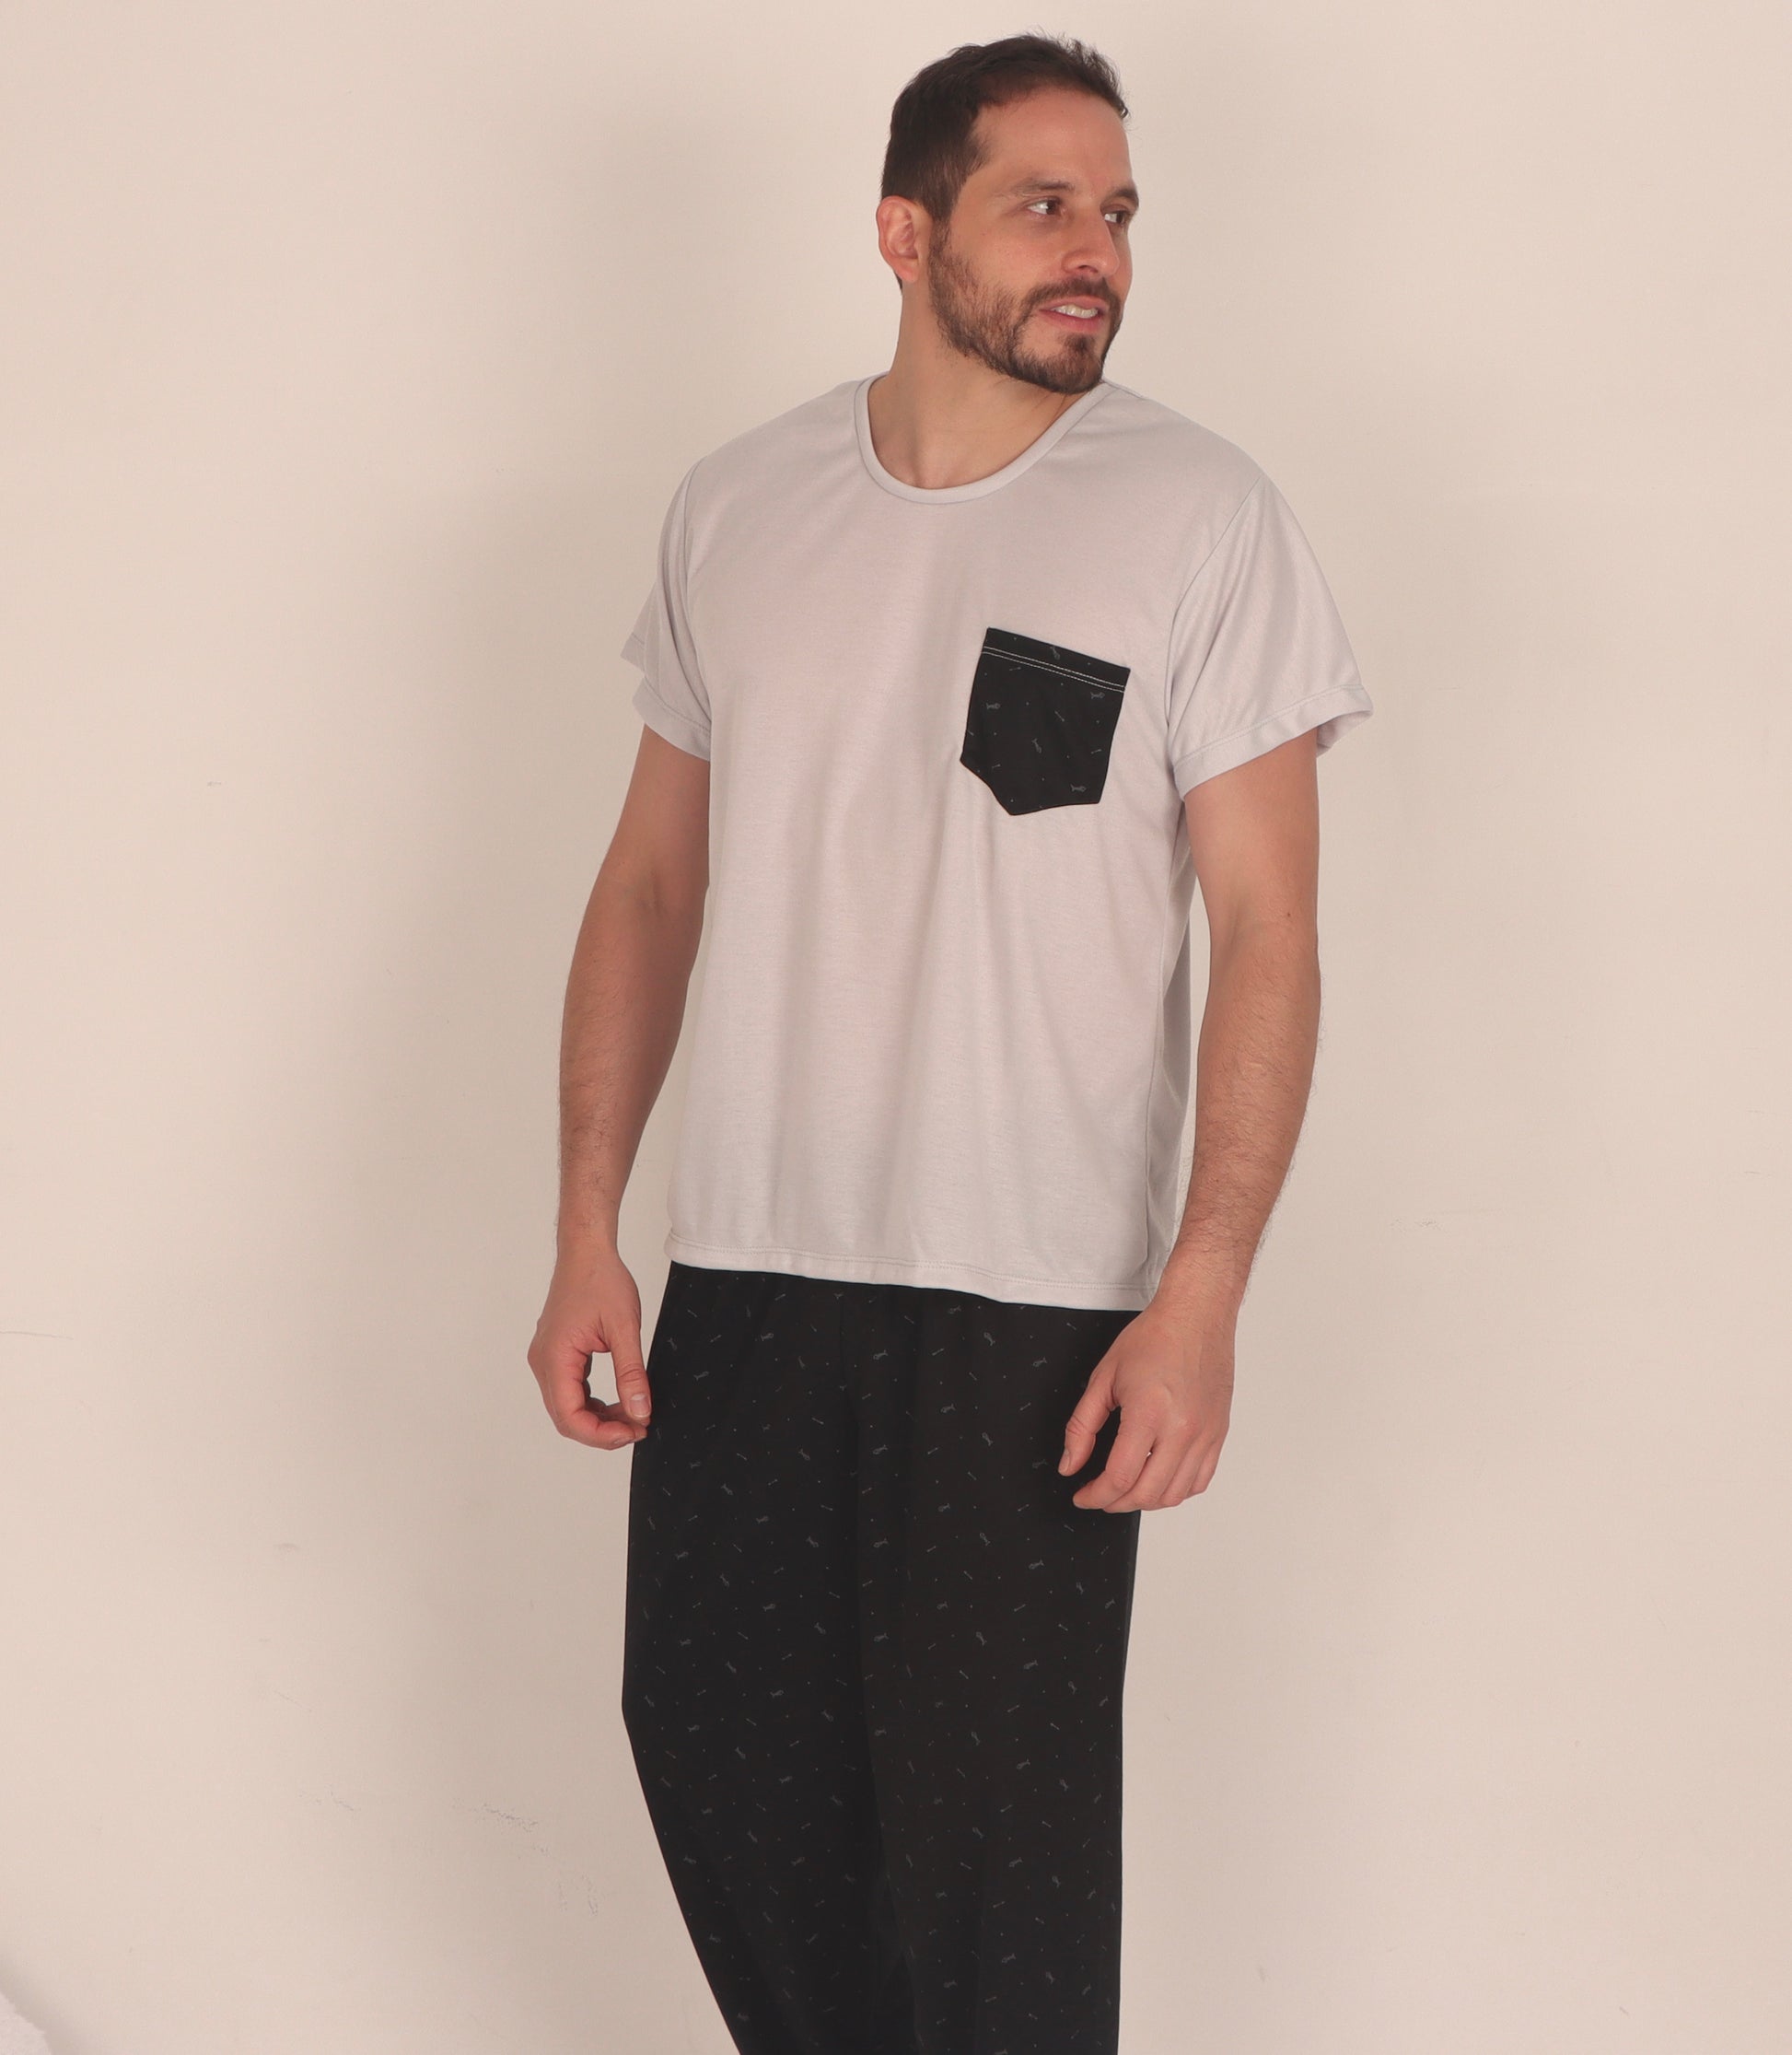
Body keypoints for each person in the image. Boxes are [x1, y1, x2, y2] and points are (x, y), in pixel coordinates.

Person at [529, 31, 1373, 2055]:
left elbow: (1268, 928)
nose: (1097, 253)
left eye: (1118, 214)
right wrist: (584, 1228)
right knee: (723, 1768)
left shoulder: (1199, 514)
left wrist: (1201, 1293)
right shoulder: (739, 506)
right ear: (905, 235)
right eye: (1042, 206)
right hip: (750, 1277)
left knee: (991, 1876)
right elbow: (649, 885)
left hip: (1033, 1305)